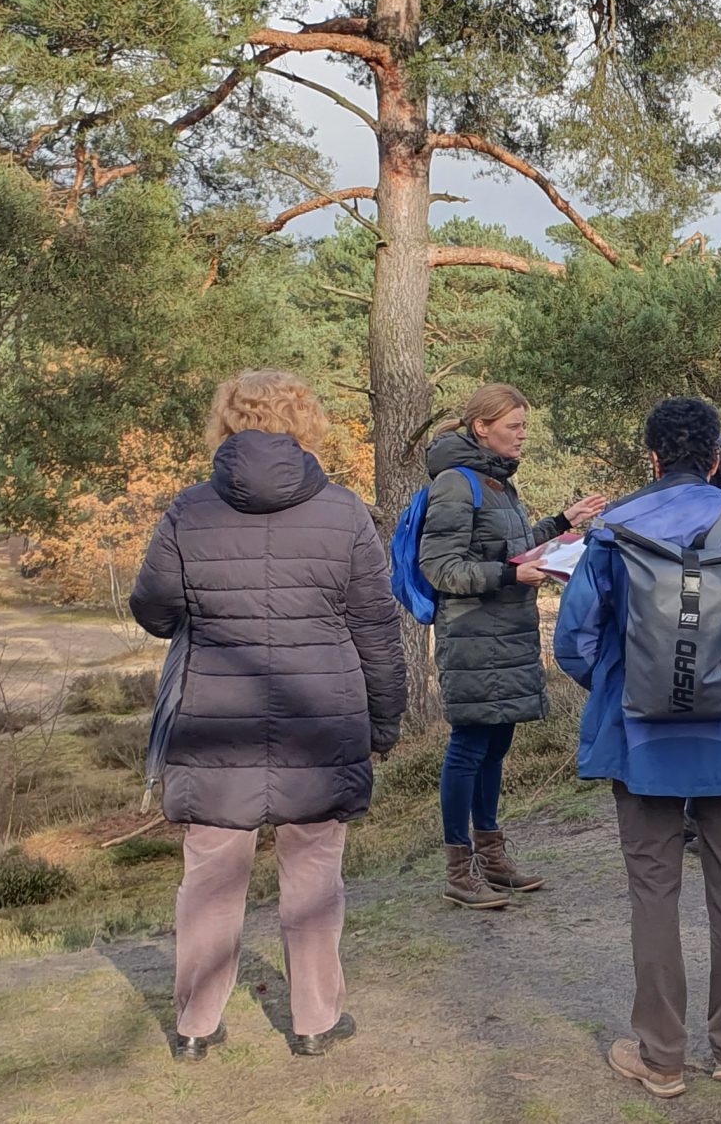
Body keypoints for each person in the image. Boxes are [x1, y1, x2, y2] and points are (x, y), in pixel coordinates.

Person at [129, 370, 405, 1061]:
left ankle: (195, 1026)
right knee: (314, 875)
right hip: (322, 719)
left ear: (224, 422)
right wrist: (384, 722)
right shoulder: (344, 513)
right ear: (304, 423)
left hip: (212, 720)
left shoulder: (187, 512)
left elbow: (153, 610)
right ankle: (314, 1018)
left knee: (210, 879)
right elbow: (378, 630)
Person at [556, 396, 721, 1099]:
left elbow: (573, 642)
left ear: (650, 458)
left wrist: (624, 684)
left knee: (653, 891)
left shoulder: (611, 531)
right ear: (715, 456)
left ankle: (662, 1055)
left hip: (640, 742)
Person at [416, 384, 606, 909]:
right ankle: (459, 868)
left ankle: (492, 858)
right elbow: (440, 568)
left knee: (496, 746)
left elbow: (510, 548)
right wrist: (508, 573)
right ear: (481, 427)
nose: (522, 435)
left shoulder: (496, 483)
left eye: (524, 426)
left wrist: (563, 525)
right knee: (470, 746)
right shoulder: (457, 483)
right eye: (513, 426)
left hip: (503, 632)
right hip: (474, 634)